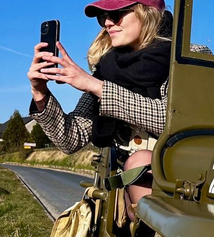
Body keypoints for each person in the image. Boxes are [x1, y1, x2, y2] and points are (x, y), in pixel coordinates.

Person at [27, 0, 173, 222]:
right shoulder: (107, 69)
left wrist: (97, 87)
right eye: (102, 16)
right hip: (123, 195)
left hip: (177, 186)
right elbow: (71, 138)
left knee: (141, 160)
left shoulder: (184, 58)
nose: (107, 22)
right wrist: (40, 93)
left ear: (148, 13)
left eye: (117, 14)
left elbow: (172, 120)